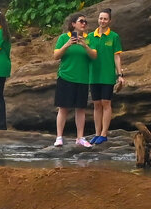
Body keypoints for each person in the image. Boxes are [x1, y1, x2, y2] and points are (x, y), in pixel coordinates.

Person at [52, 12, 97, 147]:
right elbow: (56, 56)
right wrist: (67, 45)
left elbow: (94, 56)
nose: (84, 24)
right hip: (66, 77)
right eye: (81, 21)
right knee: (63, 108)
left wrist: (85, 45)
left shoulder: (89, 38)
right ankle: (59, 137)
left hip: (82, 78)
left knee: (80, 108)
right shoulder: (63, 37)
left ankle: (80, 137)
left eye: (85, 22)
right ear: (73, 24)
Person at [88, 9, 124, 144]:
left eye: (105, 19)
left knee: (106, 103)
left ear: (109, 21)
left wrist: (120, 74)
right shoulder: (90, 36)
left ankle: (104, 133)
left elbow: (117, 57)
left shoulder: (114, 36)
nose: (102, 21)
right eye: (100, 18)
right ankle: (97, 133)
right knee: (96, 104)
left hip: (107, 74)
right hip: (93, 75)